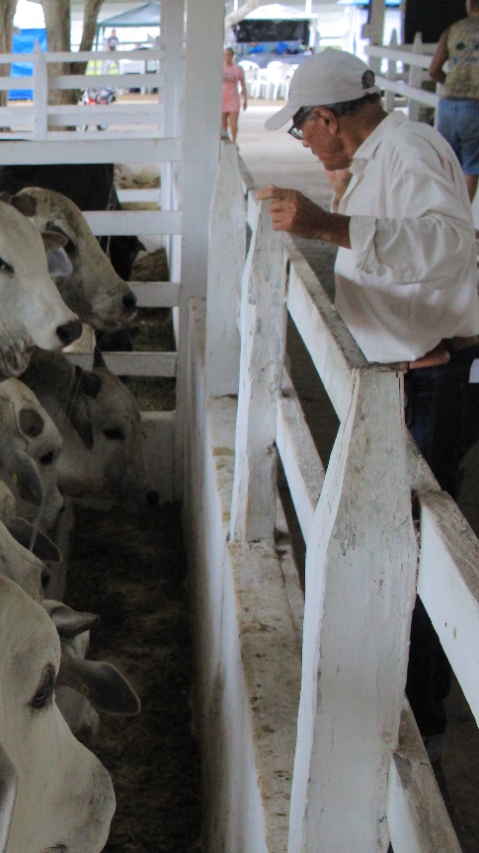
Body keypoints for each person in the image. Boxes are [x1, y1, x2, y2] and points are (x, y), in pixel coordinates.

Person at [257, 48, 479, 764]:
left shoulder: (408, 150)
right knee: (399, 526)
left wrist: (329, 226)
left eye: (302, 129)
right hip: (411, 368)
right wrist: (336, 195)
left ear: (326, 118)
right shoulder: (379, 157)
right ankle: (408, 695)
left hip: (435, 372)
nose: (305, 142)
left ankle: (421, 712)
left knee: (414, 538)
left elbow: (447, 244)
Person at [428, 0, 479, 200]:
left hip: (448, 104)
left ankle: (443, 213)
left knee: (448, 165)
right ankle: (462, 222)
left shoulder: (452, 29)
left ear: (469, 5)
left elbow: (433, 70)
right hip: (475, 105)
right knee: (471, 167)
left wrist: (449, 82)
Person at [222, 47, 248, 142]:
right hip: (222, 99)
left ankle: (234, 141)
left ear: (232, 56)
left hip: (233, 99)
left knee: (233, 125)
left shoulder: (238, 69)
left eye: (229, 55)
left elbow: (243, 84)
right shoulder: (220, 68)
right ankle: (224, 143)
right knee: (223, 125)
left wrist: (245, 99)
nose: (227, 57)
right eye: (225, 55)